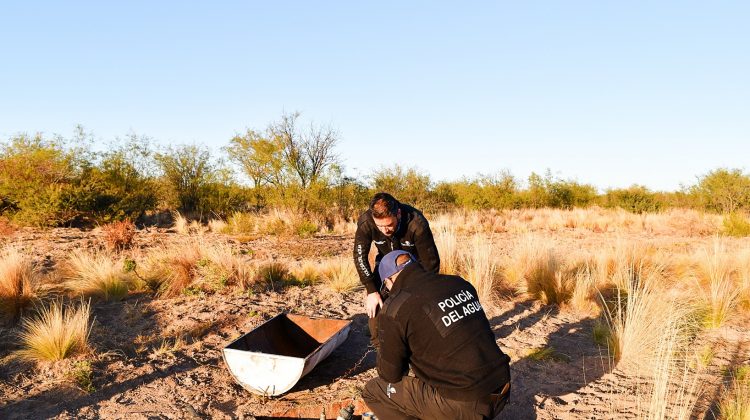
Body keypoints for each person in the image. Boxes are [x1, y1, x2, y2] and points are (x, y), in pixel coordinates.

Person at [362, 250, 511, 420]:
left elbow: (390, 374)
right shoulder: (460, 283)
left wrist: (379, 330)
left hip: (465, 405)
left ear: (388, 281)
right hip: (502, 388)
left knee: (374, 391)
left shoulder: (397, 307)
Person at [353, 193, 440, 342]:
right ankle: (380, 344)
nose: (384, 231)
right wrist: (371, 290)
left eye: (389, 225)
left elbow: (431, 264)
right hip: (385, 265)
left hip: (413, 267)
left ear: (398, 214)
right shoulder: (366, 222)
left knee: (415, 308)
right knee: (376, 311)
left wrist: (420, 292)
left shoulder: (416, 223)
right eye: (380, 226)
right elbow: (359, 256)